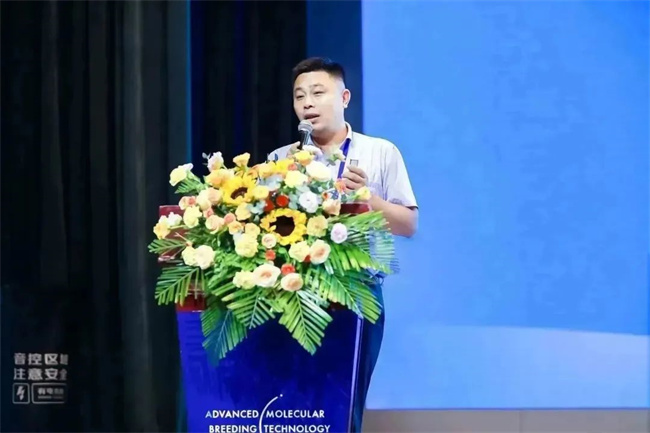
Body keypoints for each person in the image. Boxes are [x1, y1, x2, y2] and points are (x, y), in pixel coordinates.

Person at [267, 57, 418, 432]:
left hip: (357, 292)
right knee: (294, 405)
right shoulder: (280, 160)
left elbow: (407, 224)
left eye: (318, 92)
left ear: (344, 97)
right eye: (299, 96)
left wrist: (367, 198)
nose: (307, 103)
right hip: (293, 295)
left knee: (343, 404)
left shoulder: (380, 152)